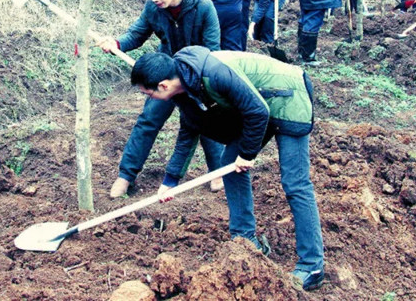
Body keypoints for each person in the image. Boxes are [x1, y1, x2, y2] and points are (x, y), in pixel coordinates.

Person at [131, 46, 324, 292]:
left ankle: (312, 266)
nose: (149, 98)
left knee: (295, 183)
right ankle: (246, 242)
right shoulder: (184, 88)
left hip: (287, 96)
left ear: (164, 85)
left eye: (148, 93)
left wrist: (247, 154)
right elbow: (189, 129)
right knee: (229, 167)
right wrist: (170, 180)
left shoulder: (213, 73)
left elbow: (258, 111)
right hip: (260, 103)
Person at [97, 0, 224, 198]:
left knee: (206, 123)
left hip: (196, 75)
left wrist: (196, 80)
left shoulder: (204, 7)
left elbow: (212, 51)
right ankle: (125, 176)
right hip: (163, 76)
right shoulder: (153, 8)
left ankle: (217, 172)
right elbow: (137, 33)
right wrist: (117, 43)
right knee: (148, 121)